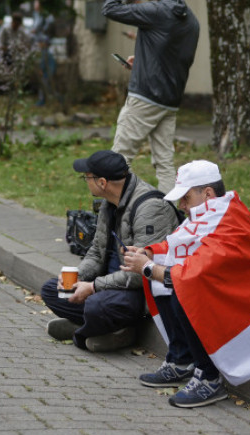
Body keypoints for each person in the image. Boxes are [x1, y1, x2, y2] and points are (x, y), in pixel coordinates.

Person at [122, 160, 250, 408]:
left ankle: (209, 378)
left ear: (207, 193)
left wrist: (147, 267)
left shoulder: (227, 219)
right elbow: (176, 247)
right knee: (169, 277)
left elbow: (191, 274)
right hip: (235, 292)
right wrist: (148, 252)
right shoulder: (211, 212)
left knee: (183, 287)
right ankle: (181, 359)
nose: (181, 206)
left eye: (186, 198)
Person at [40, 150, 180, 352]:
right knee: (53, 289)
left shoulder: (150, 208)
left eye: (86, 177)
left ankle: (94, 331)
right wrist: (79, 276)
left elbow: (143, 273)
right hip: (108, 284)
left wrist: (94, 286)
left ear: (102, 182)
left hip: (138, 291)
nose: (85, 181)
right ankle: (101, 328)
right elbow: (96, 252)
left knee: (97, 305)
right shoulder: (108, 203)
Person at [102, 0, 200, 192]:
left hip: (145, 98)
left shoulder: (155, 11)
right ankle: (169, 217)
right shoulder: (189, 17)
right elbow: (175, 56)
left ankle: (116, 217)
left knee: (119, 159)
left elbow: (110, 8)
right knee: (164, 164)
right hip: (169, 102)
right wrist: (146, 62)